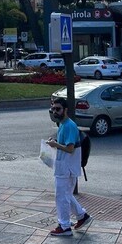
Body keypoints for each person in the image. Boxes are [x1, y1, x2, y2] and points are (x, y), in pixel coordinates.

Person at [45, 97, 92, 236]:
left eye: (58, 109)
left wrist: (55, 145)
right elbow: (65, 145)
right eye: (53, 109)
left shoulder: (69, 126)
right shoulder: (63, 124)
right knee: (65, 195)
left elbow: (70, 148)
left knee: (61, 197)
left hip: (67, 169)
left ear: (65, 110)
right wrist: (55, 143)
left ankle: (64, 226)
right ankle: (82, 216)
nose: (55, 111)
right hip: (64, 167)